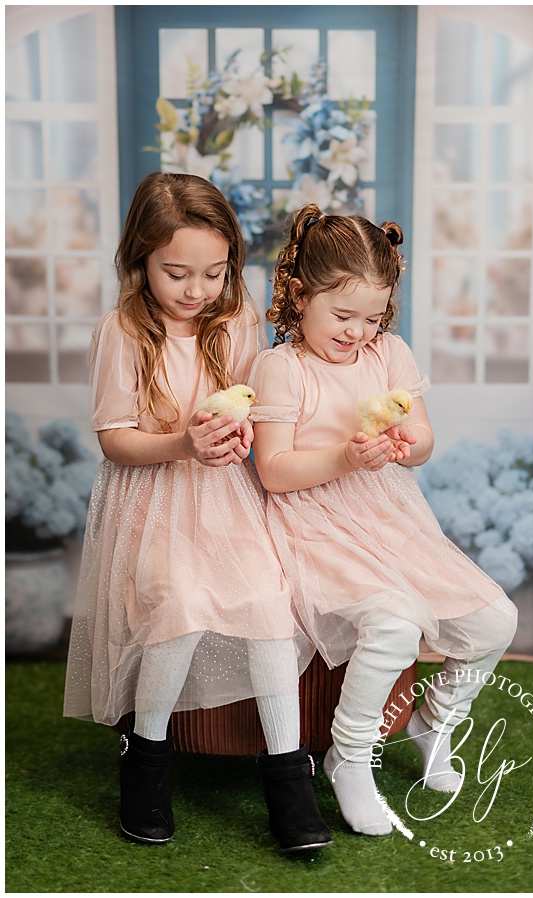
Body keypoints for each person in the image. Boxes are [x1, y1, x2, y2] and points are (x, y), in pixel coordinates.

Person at [63, 171, 330, 853]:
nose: (196, 291)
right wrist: (184, 441)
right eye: (176, 272)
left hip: (224, 497)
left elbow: (249, 406)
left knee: (269, 608)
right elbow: (115, 441)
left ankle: (286, 777)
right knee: (178, 603)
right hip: (151, 497)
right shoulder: (122, 331)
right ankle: (145, 760)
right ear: (139, 260)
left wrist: (238, 437)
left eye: (213, 273)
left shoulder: (235, 320)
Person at [248, 204, 518, 837]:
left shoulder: (388, 354)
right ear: (297, 294)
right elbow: (275, 470)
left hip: (390, 515)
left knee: (495, 618)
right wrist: (344, 456)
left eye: (372, 317)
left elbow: (423, 442)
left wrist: (403, 444)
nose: (357, 333)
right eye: (342, 316)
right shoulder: (281, 367)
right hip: (312, 519)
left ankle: (433, 722)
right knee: (393, 623)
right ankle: (349, 753)